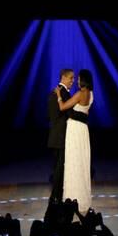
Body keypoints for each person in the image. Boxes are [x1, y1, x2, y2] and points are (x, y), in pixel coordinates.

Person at [55, 69, 94, 215]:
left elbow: (62, 107)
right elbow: (86, 113)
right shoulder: (91, 95)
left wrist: (59, 96)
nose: (76, 81)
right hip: (83, 130)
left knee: (73, 162)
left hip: (75, 130)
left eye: (78, 79)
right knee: (82, 163)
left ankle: (72, 198)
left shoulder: (79, 94)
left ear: (83, 80)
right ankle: (82, 198)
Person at [47, 68, 88, 204]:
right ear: (64, 77)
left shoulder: (58, 92)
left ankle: (57, 196)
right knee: (59, 168)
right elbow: (68, 112)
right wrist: (84, 115)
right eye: (71, 78)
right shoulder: (62, 93)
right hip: (60, 137)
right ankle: (55, 197)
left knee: (59, 167)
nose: (72, 81)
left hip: (56, 136)